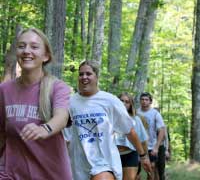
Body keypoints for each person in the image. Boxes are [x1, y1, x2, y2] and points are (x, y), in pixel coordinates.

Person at [0, 28, 72, 179]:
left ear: (46, 56)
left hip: (51, 174)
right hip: (10, 172)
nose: (26, 51)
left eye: (34, 47)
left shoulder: (57, 87)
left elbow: (62, 117)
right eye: (21, 46)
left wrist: (45, 128)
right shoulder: (4, 90)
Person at [67, 60, 151, 180]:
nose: (84, 77)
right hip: (79, 164)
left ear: (96, 76)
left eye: (88, 74)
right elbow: (66, 138)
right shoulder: (70, 102)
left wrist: (143, 156)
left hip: (104, 161)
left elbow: (129, 130)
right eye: (81, 74)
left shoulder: (109, 101)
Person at [115, 93, 148, 180]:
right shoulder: (109, 118)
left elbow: (143, 141)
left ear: (130, 105)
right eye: (121, 100)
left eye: (127, 102)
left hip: (130, 155)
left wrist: (144, 158)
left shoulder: (135, 119)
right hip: (113, 156)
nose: (124, 103)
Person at [137, 92, 165, 180]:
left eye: (146, 100)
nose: (144, 101)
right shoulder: (136, 112)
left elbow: (162, 130)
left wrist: (156, 147)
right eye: (142, 99)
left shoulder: (155, 113)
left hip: (151, 146)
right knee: (135, 171)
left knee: (151, 168)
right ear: (140, 101)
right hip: (137, 146)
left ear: (150, 102)